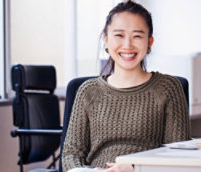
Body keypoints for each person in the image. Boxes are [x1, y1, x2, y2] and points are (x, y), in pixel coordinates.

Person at [62, 1, 191, 172]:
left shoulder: (168, 88)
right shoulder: (88, 91)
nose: (128, 45)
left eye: (137, 36)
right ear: (106, 40)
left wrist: (137, 168)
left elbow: (177, 156)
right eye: (119, 35)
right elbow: (71, 154)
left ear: (149, 42)